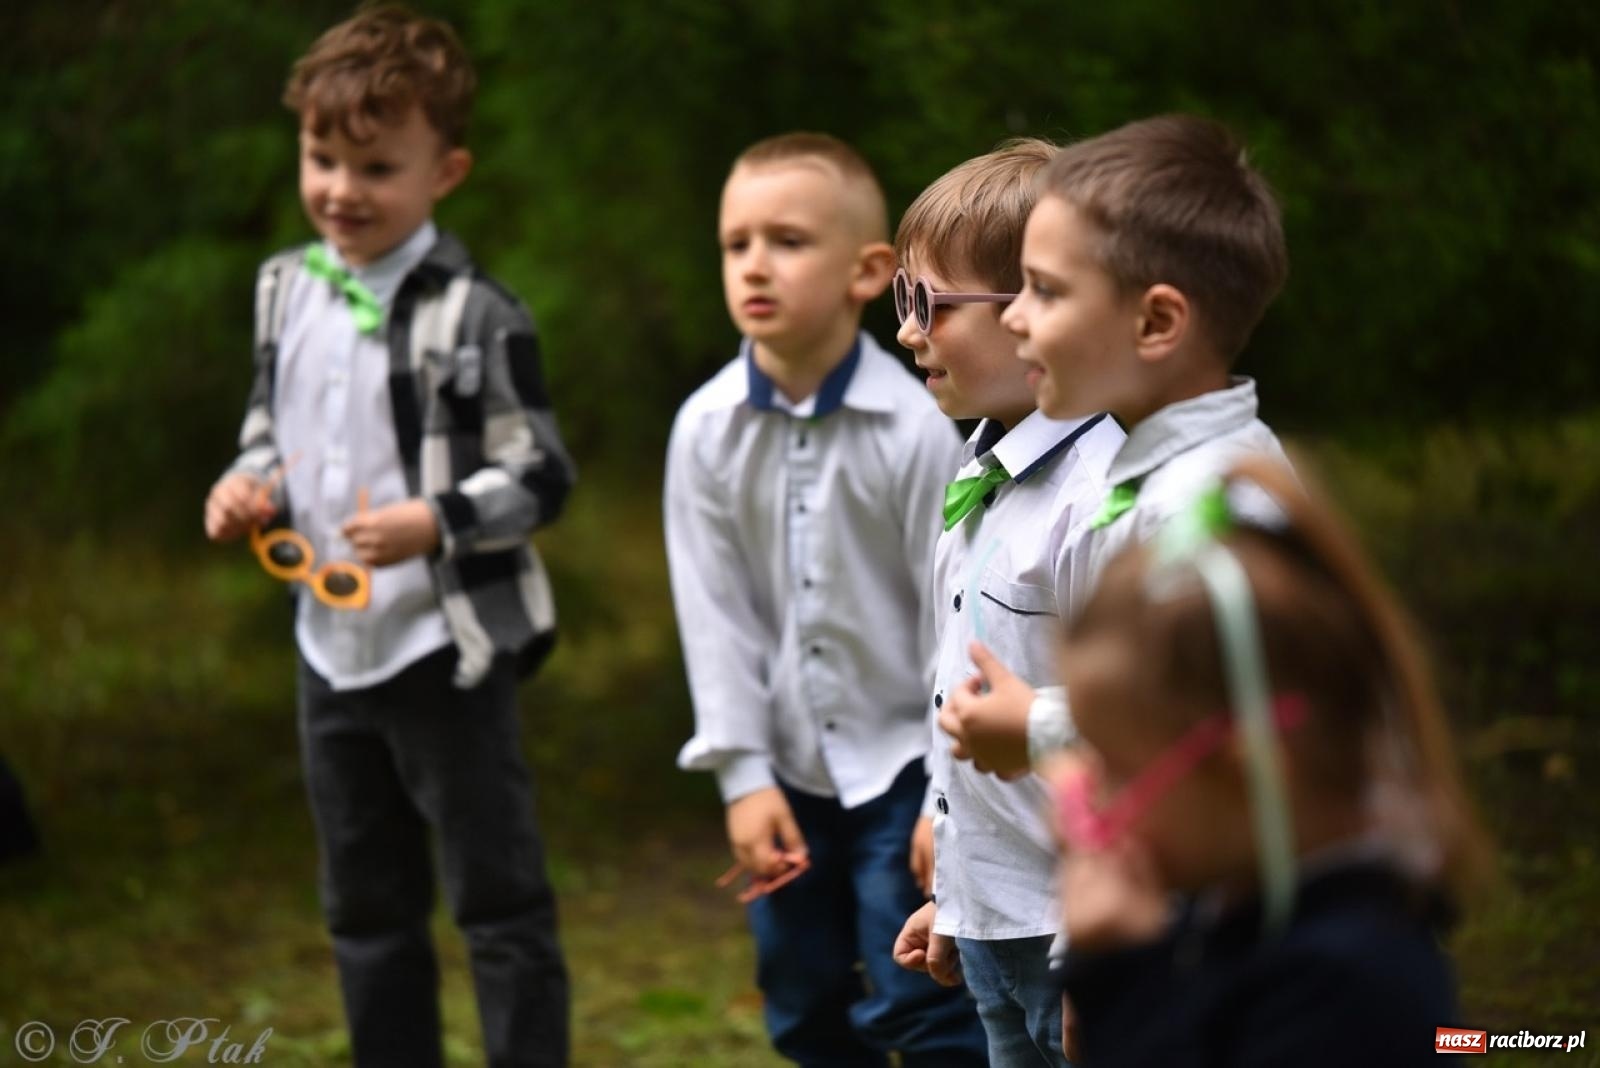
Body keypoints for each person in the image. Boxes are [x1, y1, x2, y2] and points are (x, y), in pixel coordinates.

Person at [202, 8, 574, 1065]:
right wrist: (245, 484)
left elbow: (542, 473)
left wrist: (437, 522)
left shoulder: (477, 314)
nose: (340, 191)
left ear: (444, 171)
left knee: (498, 904)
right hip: (331, 646)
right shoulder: (285, 287)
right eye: (322, 159)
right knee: (364, 909)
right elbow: (271, 428)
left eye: (375, 167)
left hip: (443, 648)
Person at [664, 131, 987, 1065]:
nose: (756, 264)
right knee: (802, 1002)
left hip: (903, 770)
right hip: (788, 776)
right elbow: (712, 613)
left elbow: (956, 621)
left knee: (920, 998)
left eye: (789, 241)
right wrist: (743, 775)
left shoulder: (922, 431)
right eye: (737, 243)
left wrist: (944, 796)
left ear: (868, 271)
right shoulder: (704, 432)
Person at [1046, 457, 1490, 1066]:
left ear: (1250, 767)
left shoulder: (1347, 991)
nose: (1086, 797)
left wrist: (1124, 977)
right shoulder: (1241, 900)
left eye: (1117, 768)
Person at [938, 113, 1293, 779]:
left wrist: (1038, 727)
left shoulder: (1210, 500)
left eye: (1044, 290)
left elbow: (1231, 722)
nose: (1013, 316)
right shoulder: (1156, 481)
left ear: (1155, 322)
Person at [885, 140, 1123, 1066]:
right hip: (995, 927)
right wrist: (960, 890)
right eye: (900, 302)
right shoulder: (981, 478)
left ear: (1037, 313)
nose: (906, 332)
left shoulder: (1100, 504)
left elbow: (1133, 743)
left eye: (927, 305)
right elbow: (973, 702)